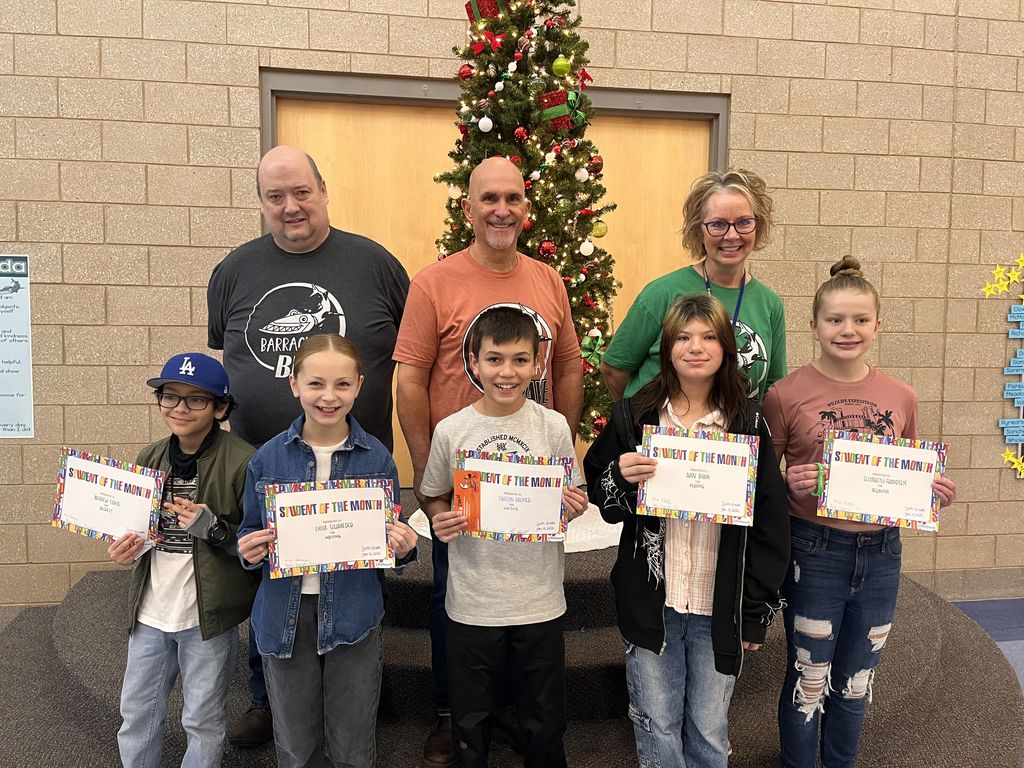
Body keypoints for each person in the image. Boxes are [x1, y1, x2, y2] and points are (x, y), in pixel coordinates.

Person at [207, 144, 409, 745]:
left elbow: (410, 350)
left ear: (323, 192)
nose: (290, 206)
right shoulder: (234, 271)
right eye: (276, 196)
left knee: (350, 581)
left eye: (301, 192)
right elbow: (229, 354)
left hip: (355, 464)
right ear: (261, 203)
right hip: (262, 463)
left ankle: (360, 683)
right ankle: (266, 696)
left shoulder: (375, 264)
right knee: (268, 579)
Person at [393, 156, 583, 766]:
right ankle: (458, 718)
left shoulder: (548, 280)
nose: (501, 209)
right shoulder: (434, 282)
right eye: (488, 199)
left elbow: (572, 364)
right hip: (460, 485)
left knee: (526, 624)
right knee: (460, 605)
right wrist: (432, 484)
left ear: (526, 207)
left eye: (513, 198)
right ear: (468, 208)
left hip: (528, 478)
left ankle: (518, 718)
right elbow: (410, 379)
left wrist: (555, 463)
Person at [763, 256, 957, 768]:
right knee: (809, 678)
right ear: (813, 326)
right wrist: (787, 481)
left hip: (882, 552)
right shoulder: (785, 395)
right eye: (834, 320)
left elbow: (906, 474)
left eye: (860, 320)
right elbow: (761, 482)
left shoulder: (901, 396)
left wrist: (930, 490)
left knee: (856, 682)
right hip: (814, 549)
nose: (847, 330)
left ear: (877, 325)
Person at [583, 294, 790, 768]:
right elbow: (600, 494)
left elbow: (771, 524)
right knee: (656, 720)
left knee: (709, 727)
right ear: (666, 346)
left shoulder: (749, 425)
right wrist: (620, 474)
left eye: (709, 337)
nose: (695, 347)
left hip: (719, 604)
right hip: (654, 598)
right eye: (683, 337)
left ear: (726, 349)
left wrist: (755, 609)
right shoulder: (635, 417)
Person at [237, 334, 418, 768]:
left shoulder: (377, 458)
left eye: (341, 385)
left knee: (353, 747)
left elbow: (387, 543)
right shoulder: (265, 460)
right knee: (296, 749)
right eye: (316, 384)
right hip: (284, 614)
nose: (328, 397)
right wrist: (249, 551)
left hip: (354, 614)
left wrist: (405, 547)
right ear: (294, 384)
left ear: (359, 386)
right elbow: (248, 534)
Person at [420, 307, 589, 767]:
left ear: (537, 365)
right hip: (473, 599)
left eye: (519, 360)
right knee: (470, 719)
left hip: (539, 598)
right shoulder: (452, 430)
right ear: (473, 362)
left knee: (544, 716)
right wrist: (440, 517)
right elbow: (431, 493)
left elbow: (574, 493)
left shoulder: (552, 427)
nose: (507, 372)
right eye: (495, 359)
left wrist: (572, 506)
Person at [107, 352, 259, 768]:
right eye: (170, 397)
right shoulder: (149, 457)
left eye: (196, 400)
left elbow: (260, 545)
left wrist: (215, 530)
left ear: (221, 408)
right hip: (150, 613)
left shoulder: (244, 460)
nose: (179, 408)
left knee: (203, 720)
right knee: (136, 715)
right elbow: (141, 532)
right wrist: (127, 549)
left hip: (205, 617)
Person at [601, 168, 786, 403]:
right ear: (699, 230)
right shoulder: (661, 294)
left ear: (758, 226)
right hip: (660, 437)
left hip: (737, 438)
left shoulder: (769, 303)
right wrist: (640, 420)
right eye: (718, 224)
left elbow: (773, 388)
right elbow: (614, 370)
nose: (731, 235)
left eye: (743, 222)